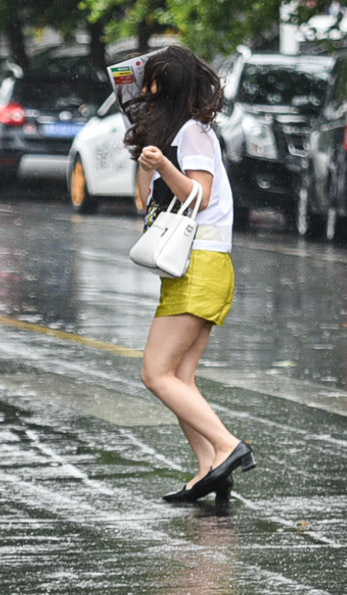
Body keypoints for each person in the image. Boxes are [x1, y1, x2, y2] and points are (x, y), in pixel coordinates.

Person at [123, 45, 255, 504]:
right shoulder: (173, 134)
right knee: (180, 374)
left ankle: (226, 446)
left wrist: (164, 165)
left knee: (155, 373)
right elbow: (146, 204)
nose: (145, 90)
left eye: (152, 81)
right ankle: (208, 468)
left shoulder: (195, 132)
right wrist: (148, 167)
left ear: (169, 86)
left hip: (202, 262)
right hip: (193, 265)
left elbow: (200, 195)